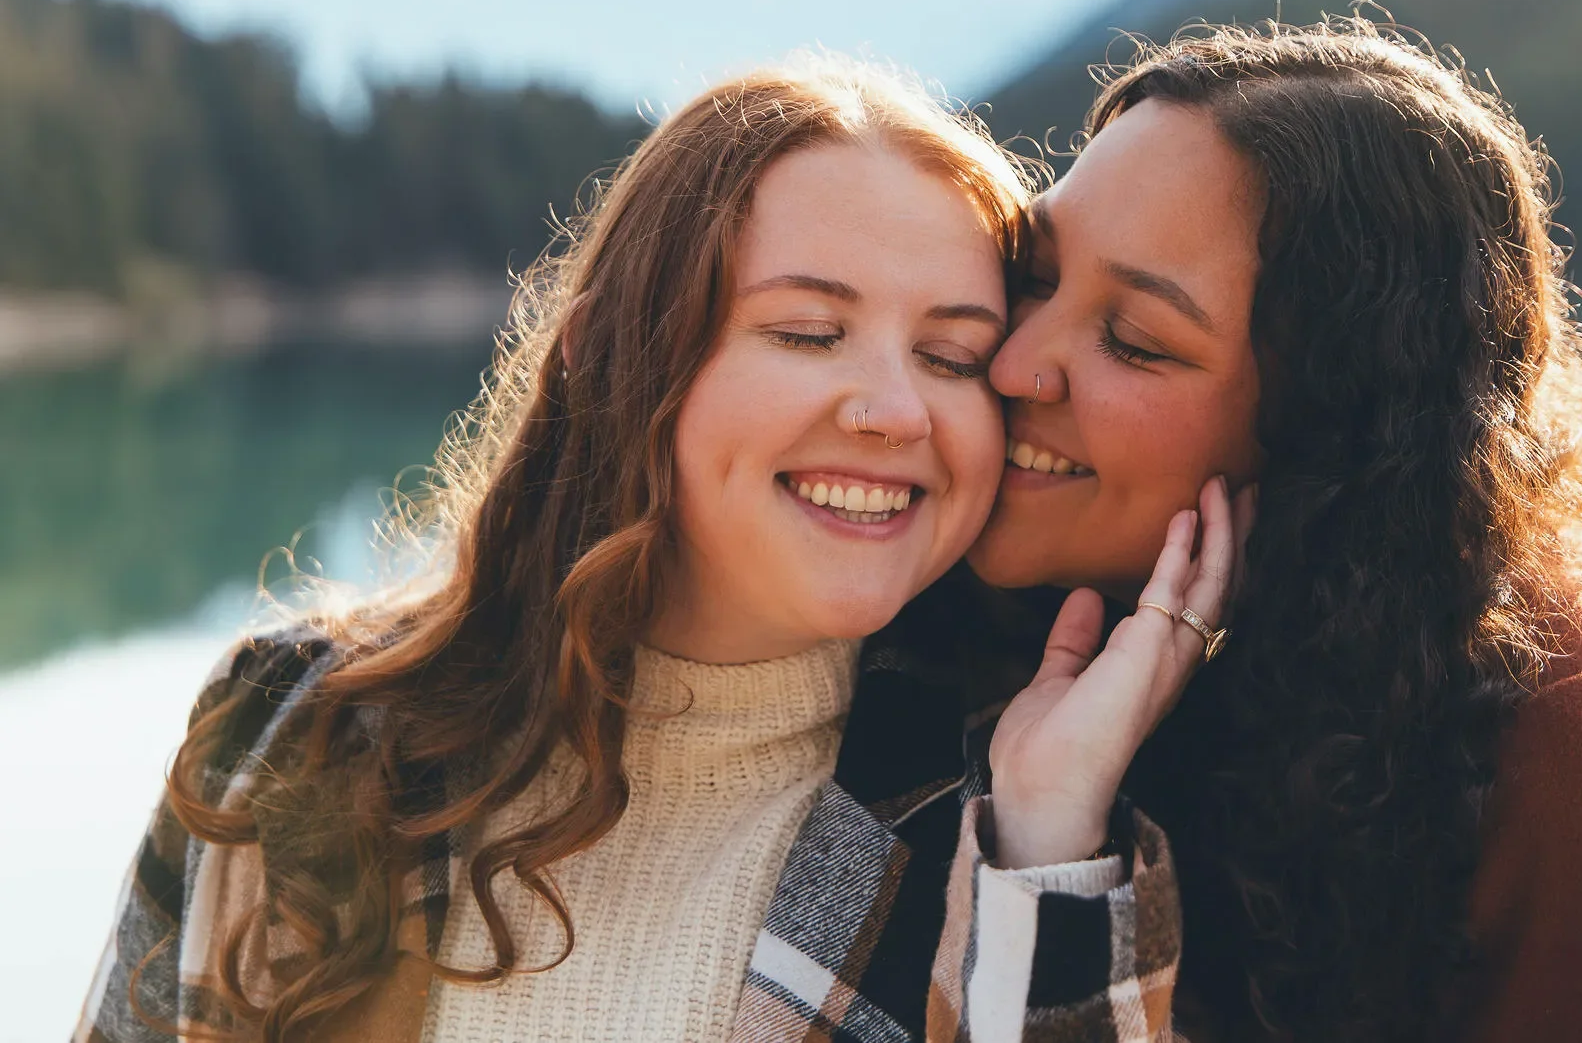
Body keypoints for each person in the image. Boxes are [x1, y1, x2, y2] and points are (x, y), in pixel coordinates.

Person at [79, 61, 1203, 1043]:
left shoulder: (1021, 831)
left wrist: (1048, 850)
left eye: (952, 357)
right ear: (604, 359)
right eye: (808, 333)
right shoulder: (293, 727)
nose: (896, 410)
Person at [954, 20, 1582, 1042]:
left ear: (1333, 423)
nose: (1014, 364)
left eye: (1134, 341)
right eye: (1034, 273)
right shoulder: (1036, 654)